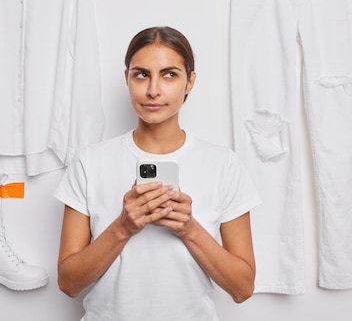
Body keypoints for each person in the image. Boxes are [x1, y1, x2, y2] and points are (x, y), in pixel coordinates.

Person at [53, 26, 262, 320]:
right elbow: (68, 283)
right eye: (141, 74)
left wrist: (189, 228)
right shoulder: (90, 162)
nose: (153, 89)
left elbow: (242, 288)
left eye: (169, 74)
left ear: (190, 82)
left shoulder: (223, 164)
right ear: (126, 78)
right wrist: (123, 226)